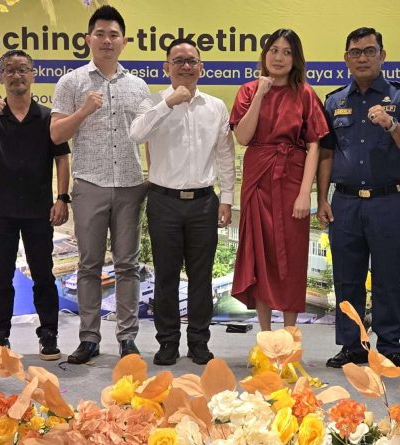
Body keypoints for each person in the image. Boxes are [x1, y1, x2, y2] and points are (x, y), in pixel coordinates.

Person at [318, 27, 400, 369]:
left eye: (369, 51)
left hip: (387, 201)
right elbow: (326, 154)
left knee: (388, 277)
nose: (362, 58)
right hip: (345, 201)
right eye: (355, 52)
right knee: (346, 278)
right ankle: (353, 345)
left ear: (383, 55)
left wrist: (391, 125)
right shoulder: (334, 101)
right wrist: (321, 198)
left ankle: (391, 345)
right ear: (346, 59)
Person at [51, 5, 149, 364]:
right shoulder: (71, 82)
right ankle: (89, 338)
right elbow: (56, 134)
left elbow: (148, 135)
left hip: (130, 184)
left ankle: (127, 338)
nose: (107, 40)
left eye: (114, 35)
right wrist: (83, 111)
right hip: (90, 183)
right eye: (100, 34)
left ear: (124, 41)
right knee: (89, 265)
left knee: (127, 265)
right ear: (88, 39)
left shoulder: (138, 86)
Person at [129, 39, 235, 366]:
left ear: (201, 67)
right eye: (178, 61)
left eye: (191, 61)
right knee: (166, 276)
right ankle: (167, 342)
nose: (186, 66)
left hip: (204, 202)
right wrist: (168, 103)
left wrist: (227, 199)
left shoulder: (215, 106)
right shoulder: (153, 101)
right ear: (167, 67)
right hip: (163, 201)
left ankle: (199, 342)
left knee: (201, 277)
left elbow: (225, 155)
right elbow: (136, 134)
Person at [0, 50, 71, 360]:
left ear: (33, 75)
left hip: (39, 209)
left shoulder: (48, 117)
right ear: (1, 77)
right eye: (9, 70)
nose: (16, 75)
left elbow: (62, 159)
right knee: (1, 277)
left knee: (43, 275)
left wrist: (62, 198)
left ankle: (48, 333)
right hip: (1, 210)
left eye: (23, 69)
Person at [229, 28, 328, 331]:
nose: (279, 57)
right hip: (257, 179)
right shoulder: (248, 90)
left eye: (287, 52)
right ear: (265, 54)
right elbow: (243, 136)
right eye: (274, 50)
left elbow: (314, 145)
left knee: (292, 257)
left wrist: (305, 193)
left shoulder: (305, 93)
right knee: (259, 257)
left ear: (296, 59)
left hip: (291, 180)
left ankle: (289, 334)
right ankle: (265, 336)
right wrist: (261, 93)